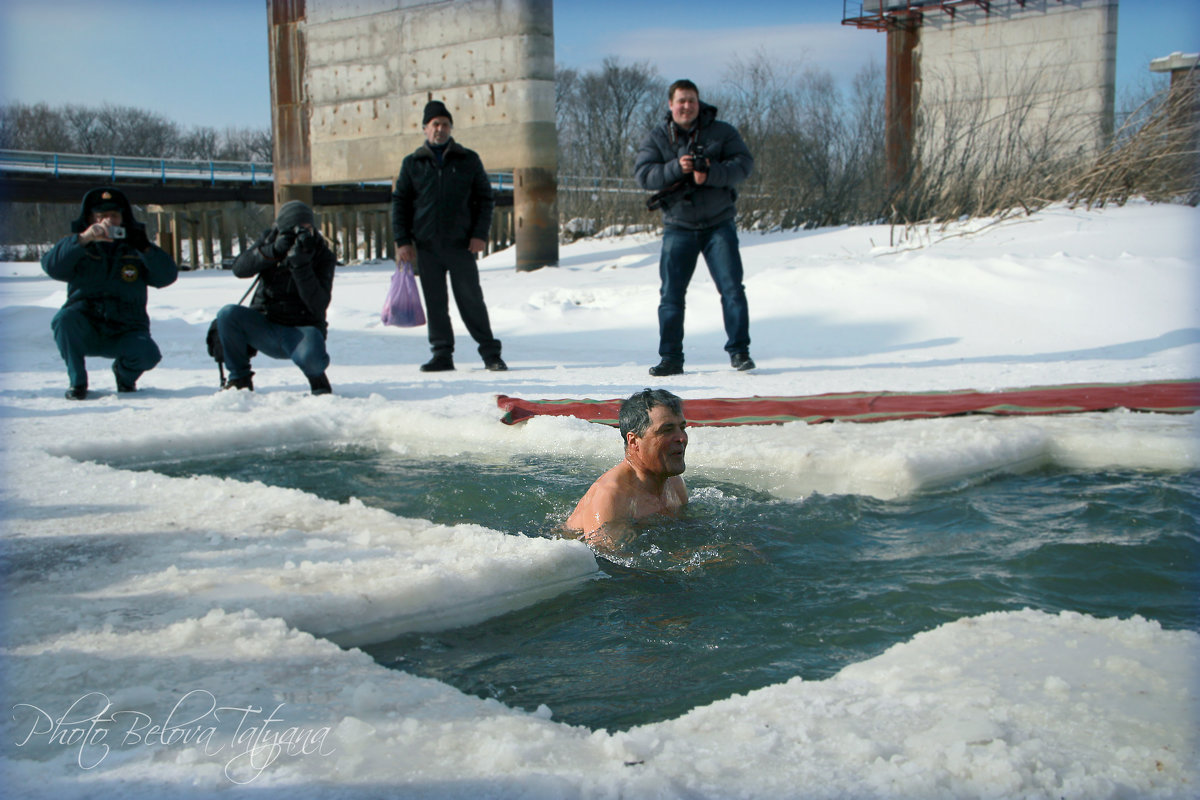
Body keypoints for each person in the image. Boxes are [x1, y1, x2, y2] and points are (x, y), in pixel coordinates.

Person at [634, 79, 755, 377]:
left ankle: (740, 352)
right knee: (671, 296)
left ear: (699, 103)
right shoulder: (658, 137)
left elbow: (744, 165)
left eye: (691, 100)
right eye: (680, 101)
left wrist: (711, 173)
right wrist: (678, 167)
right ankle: (671, 358)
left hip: (719, 224)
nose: (686, 106)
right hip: (679, 226)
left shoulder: (722, 131)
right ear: (670, 104)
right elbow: (644, 175)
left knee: (732, 290)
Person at [390, 99, 506, 372]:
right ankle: (442, 354)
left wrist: (479, 235)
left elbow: (485, 199)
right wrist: (402, 241)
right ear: (425, 129)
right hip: (426, 247)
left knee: (471, 300)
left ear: (451, 128)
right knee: (436, 304)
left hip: (461, 245)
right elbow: (400, 203)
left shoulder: (468, 160)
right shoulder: (413, 163)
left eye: (444, 124)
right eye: (435, 124)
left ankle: (491, 354)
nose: (440, 129)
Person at [41, 186, 179, 400]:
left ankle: (124, 377)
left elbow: (166, 277)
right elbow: (52, 267)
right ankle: (77, 383)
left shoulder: (135, 249)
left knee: (148, 354)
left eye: (114, 216)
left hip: (126, 328)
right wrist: (83, 239)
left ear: (123, 218)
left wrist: (145, 249)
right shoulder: (79, 247)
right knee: (64, 320)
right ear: (90, 220)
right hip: (88, 326)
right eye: (102, 217)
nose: (109, 222)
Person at [216, 200, 335, 395]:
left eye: (305, 228)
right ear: (281, 229)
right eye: (293, 229)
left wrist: (301, 265)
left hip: (301, 330)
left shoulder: (322, 254)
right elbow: (239, 269)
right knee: (228, 314)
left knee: (312, 357)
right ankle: (239, 379)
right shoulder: (270, 240)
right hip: (266, 324)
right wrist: (272, 251)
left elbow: (318, 304)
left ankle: (317, 377)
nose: (300, 234)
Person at [566, 388, 689, 551]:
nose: (681, 438)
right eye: (666, 430)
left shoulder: (674, 483)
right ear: (634, 441)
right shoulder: (611, 497)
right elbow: (610, 566)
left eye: (682, 428)